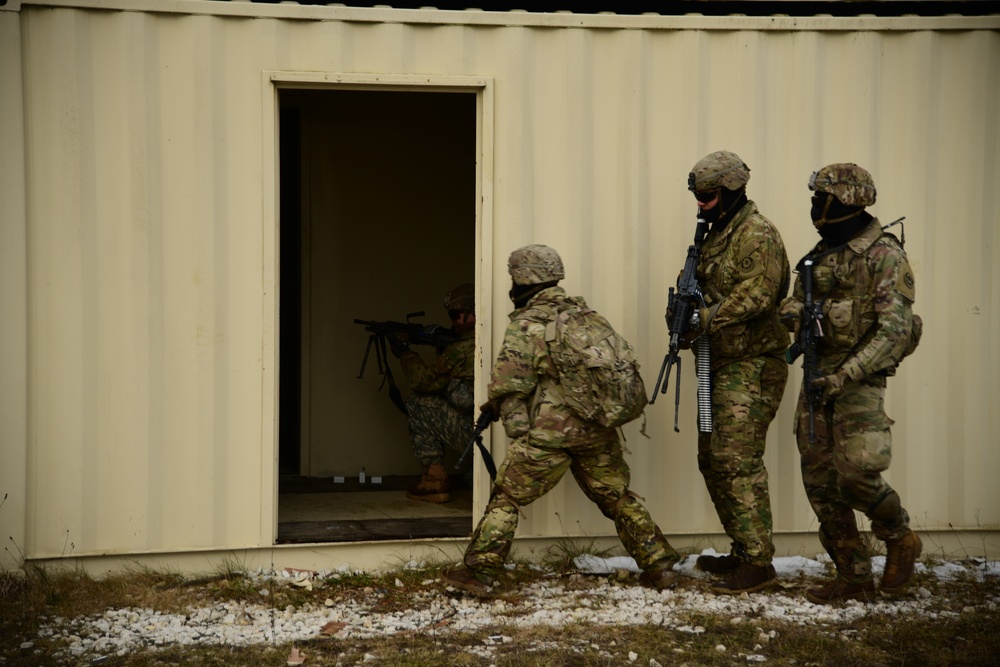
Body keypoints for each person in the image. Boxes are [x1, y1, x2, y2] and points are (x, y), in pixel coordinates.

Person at [443, 245, 683, 596]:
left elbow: (510, 385)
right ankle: (660, 567)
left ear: (524, 280)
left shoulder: (528, 323)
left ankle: (479, 572)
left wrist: (519, 436)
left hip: (552, 433)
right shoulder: (586, 316)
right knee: (616, 498)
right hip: (597, 426)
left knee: (508, 495)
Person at [780, 163, 922, 604]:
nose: (812, 206)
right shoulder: (819, 253)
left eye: (818, 197)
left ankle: (899, 537)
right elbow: (797, 300)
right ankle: (854, 576)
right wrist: (793, 314)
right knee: (820, 482)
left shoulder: (883, 255)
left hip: (858, 379)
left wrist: (847, 374)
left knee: (858, 474)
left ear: (841, 199)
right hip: (817, 377)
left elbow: (894, 331)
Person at [681, 150, 791, 594]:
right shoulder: (716, 234)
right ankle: (744, 550)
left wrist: (703, 319)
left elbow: (759, 295)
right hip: (720, 362)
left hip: (752, 363)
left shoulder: (756, 233)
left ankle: (759, 562)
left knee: (736, 460)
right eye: (697, 195)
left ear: (729, 190)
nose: (701, 204)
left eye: (707, 195)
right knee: (712, 459)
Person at [389, 282, 476, 503]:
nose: (453, 321)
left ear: (473, 314)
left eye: (456, 315)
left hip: (477, 433)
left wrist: (406, 355)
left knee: (418, 403)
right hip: (507, 438)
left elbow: (422, 382)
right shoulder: (504, 337)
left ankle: (433, 482)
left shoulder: (461, 350)